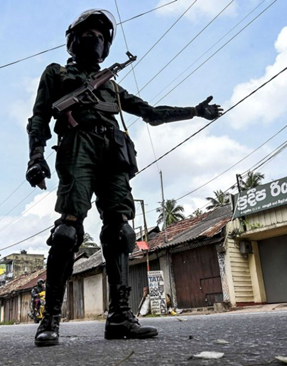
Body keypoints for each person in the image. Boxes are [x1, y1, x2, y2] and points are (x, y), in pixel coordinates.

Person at [26, 9, 222, 347]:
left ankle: (119, 316)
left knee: (120, 228)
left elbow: (151, 113)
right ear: (73, 41)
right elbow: (40, 116)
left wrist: (193, 111)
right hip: (78, 144)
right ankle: (50, 318)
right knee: (67, 229)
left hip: (114, 150)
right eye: (89, 34)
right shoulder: (56, 72)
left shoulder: (113, 88)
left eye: (102, 37)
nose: (96, 39)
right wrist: (35, 157)